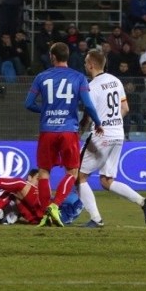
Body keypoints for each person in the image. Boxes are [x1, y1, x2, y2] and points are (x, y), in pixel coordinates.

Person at [25, 42, 102, 226]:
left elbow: (28, 103)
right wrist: (98, 122)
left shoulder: (41, 77)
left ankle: (45, 214)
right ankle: (55, 205)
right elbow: (88, 105)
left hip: (47, 130)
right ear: (67, 56)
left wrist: (45, 110)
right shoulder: (79, 78)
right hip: (69, 130)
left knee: (44, 172)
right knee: (72, 171)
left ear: (52, 57)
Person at [77, 50, 146, 228]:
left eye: (85, 62)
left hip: (101, 136)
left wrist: (80, 131)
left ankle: (96, 219)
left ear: (91, 65)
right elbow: (125, 108)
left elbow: (89, 114)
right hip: (118, 134)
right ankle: (143, 202)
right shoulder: (116, 81)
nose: (84, 65)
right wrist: (113, 122)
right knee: (106, 181)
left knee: (78, 177)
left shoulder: (92, 86)